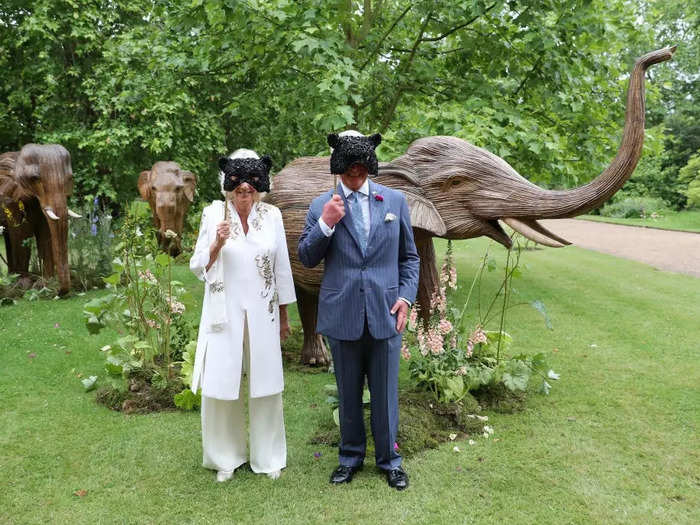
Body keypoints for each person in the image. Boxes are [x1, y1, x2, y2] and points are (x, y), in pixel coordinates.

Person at [298, 132, 419, 490]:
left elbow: (409, 258)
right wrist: (327, 223)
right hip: (343, 312)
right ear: (338, 168)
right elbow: (307, 256)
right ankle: (349, 458)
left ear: (369, 166)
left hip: (386, 312)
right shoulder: (322, 204)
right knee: (348, 393)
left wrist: (406, 298)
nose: (356, 177)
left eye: (362, 171)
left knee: (385, 394)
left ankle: (390, 461)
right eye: (349, 171)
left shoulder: (394, 201)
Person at [189, 149, 296, 482]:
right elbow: (197, 267)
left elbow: (281, 269)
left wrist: (284, 316)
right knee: (221, 383)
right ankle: (225, 458)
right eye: (238, 188)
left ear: (260, 188)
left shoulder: (273, 216)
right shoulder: (212, 215)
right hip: (224, 311)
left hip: (263, 311)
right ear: (228, 188)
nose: (244, 194)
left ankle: (269, 457)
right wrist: (216, 245)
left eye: (251, 188)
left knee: (267, 384)